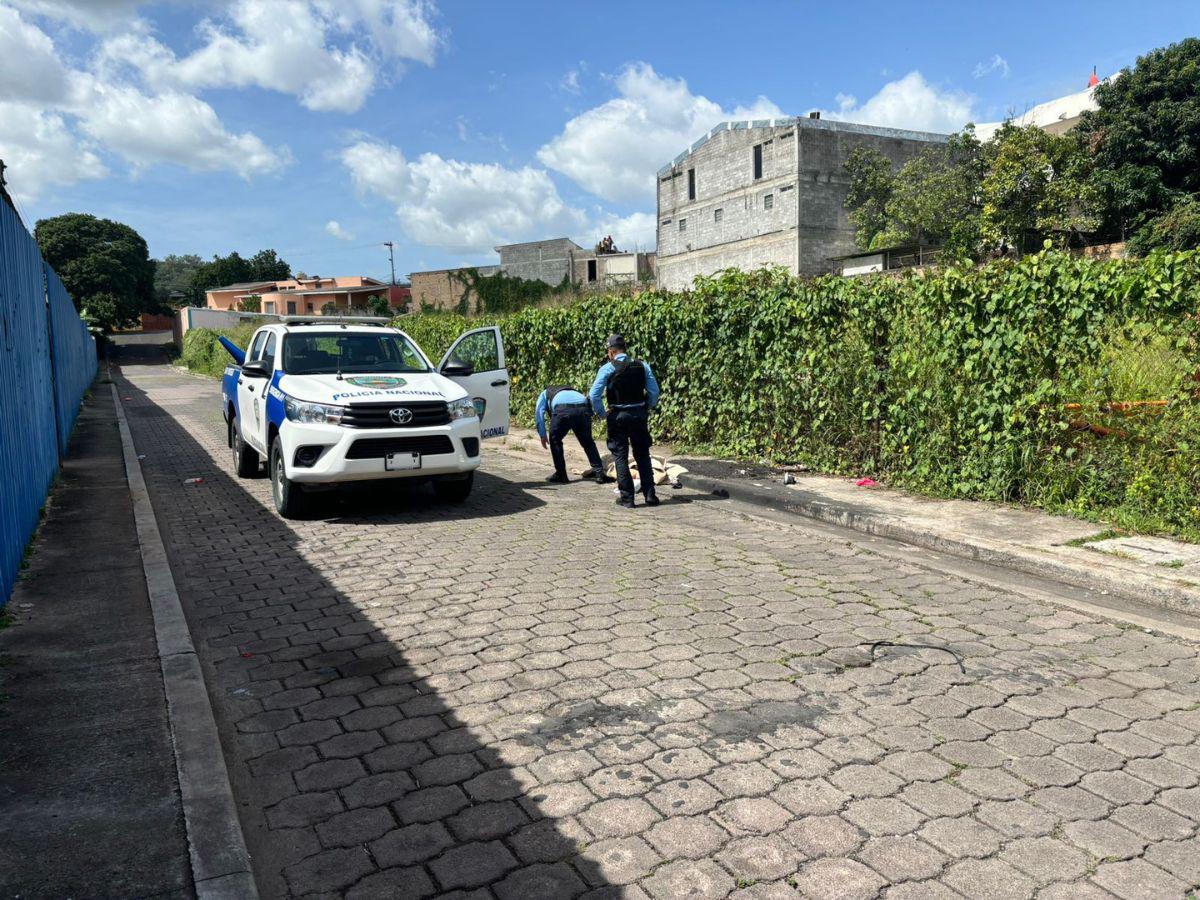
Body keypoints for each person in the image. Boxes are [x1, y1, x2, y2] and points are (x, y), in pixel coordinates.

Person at [589, 334, 661, 508]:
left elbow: (593, 395)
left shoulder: (607, 368)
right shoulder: (642, 366)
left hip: (618, 416)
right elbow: (654, 392)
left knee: (620, 456)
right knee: (643, 454)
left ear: (611, 352)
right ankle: (650, 495)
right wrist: (646, 407)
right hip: (638, 415)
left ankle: (627, 498)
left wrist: (602, 413)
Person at [535, 383, 612, 484]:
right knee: (588, 442)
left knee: (555, 440)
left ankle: (561, 474)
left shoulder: (545, 393)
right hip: (583, 409)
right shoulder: (573, 391)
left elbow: (539, 412)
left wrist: (542, 434)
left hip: (562, 411)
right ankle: (599, 473)